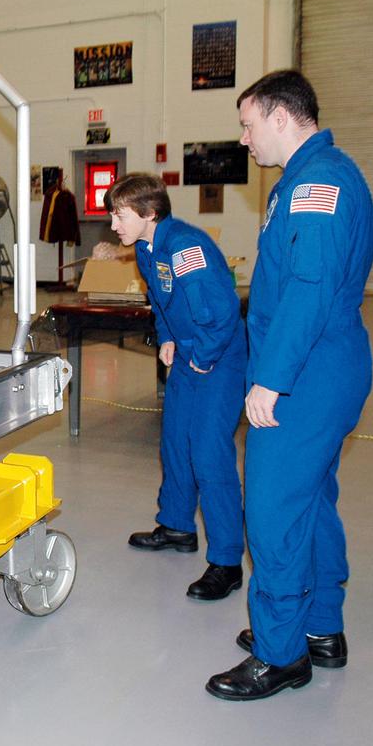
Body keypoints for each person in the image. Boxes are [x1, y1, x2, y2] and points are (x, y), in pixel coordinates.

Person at [206, 70, 373, 701]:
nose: (244, 139)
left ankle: (282, 654)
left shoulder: (317, 183)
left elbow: (308, 289)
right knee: (311, 503)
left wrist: (270, 382)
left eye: (248, 124)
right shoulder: (309, 178)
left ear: (281, 116)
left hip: (305, 376)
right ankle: (321, 629)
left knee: (273, 509)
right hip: (324, 368)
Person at [114, 174, 247, 601]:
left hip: (218, 357)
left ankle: (226, 561)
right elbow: (161, 299)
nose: (113, 223)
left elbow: (223, 311)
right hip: (189, 351)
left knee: (209, 453)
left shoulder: (186, 247)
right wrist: (167, 336)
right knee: (174, 443)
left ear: (149, 213)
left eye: (120, 214)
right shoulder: (144, 247)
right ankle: (176, 525)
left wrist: (202, 358)